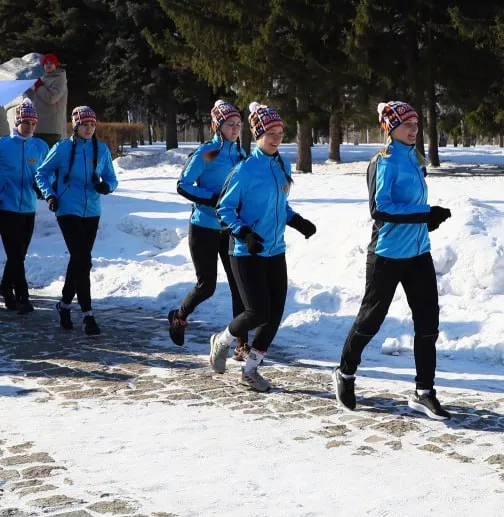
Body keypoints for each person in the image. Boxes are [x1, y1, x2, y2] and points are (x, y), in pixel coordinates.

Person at [332, 101, 453, 419]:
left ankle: (423, 392)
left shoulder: (414, 158)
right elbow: (380, 209)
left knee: (428, 324)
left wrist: (426, 218)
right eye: (407, 124)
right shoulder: (382, 162)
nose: (413, 129)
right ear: (390, 128)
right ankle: (345, 373)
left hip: (418, 253)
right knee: (371, 320)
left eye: (416, 123)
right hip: (387, 255)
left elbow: (410, 205)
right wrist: (424, 215)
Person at [209, 102, 317, 392]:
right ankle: (221, 340)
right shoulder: (245, 169)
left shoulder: (281, 165)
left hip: (274, 250)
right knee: (257, 312)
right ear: (257, 134)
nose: (277, 136)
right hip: (246, 252)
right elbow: (224, 209)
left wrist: (297, 220)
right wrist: (245, 234)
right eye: (270, 132)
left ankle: (250, 370)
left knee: (275, 314)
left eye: (280, 131)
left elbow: (279, 203)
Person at [167, 100, 247, 351]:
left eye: (238, 125)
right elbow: (183, 185)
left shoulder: (240, 154)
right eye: (229, 125)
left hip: (230, 228)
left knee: (239, 286)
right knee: (207, 286)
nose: (234, 130)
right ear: (217, 126)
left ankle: (242, 342)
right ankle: (179, 316)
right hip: (203, 226)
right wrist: (213, 199)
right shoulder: (207, 152)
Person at [35, 106, 118, 336]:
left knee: (79, 260)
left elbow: (112, 178)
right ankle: (88, 314)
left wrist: (106, 186)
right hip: (67, 208)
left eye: (92, 125)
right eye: (85, 125)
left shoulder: (100, 150)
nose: (89, 129)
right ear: (75, 125)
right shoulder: (61, 149)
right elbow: (41, 173)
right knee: (83, 258)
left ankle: (63, 305)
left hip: (92, 210)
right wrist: (50, 194)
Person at [0, 99, 49, 315]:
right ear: (17, 121)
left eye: (33, 123)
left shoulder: (40, 146)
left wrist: (43, 188)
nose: (29, 126)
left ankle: (5, 286)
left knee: (20, 254)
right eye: (25, 122)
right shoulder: (1, 145)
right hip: (5, 206)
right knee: (16, 254)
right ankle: (23, 298)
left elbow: (48, 172)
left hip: (28, 207)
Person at [30, 55, 68, 147]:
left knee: (49, 158)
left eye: (51, 62)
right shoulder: (42, 79)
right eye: (46, 63)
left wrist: (39, 87)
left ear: (56, 64)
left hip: (51, 129)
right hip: (37, 127)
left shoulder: (60, 79)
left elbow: (51, 98)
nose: (48, 65)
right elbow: (35, 98)